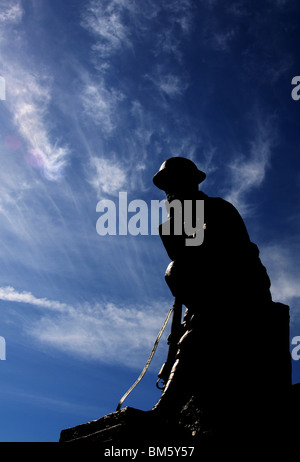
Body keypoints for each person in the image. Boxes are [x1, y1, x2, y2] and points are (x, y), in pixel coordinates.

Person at [152, 157, 290, 438]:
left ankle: (166, 408)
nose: (170, 193)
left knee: (199, 329)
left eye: (175, 184)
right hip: (206, 301)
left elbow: (220, 256)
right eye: (167, 187)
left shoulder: (217, 209)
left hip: (242, 289)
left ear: (192, 183)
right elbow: (187, 265)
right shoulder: (168, 227)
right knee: (175, 273)